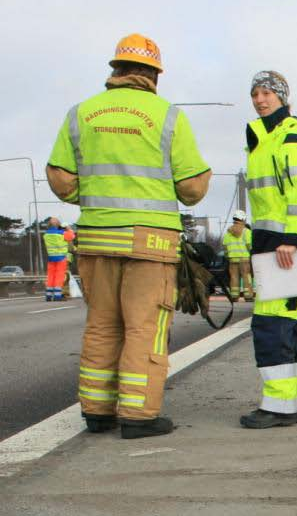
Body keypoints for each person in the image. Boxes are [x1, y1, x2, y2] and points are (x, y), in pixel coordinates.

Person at [46, 33, 211, 439]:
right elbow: (192, 189)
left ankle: (97, 412)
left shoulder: (80, 114)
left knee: (102, 324)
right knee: (144, 328)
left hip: (97, 239)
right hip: (149, 245)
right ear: (154, 74)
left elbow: (60, 178)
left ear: (115, 70)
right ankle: (138, 416)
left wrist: (96, 197)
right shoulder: (168, 116)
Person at [239, 70, 297, 429]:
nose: (260, 100)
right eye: (255, 94)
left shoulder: (291, 133)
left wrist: (292, 238)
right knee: (292, 324)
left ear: (282, 97)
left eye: (267, 93)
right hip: (277, 244)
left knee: (272, 325)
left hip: (285, 245)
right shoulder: (265, 137)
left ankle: (278, 407)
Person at [222, 210, 254, 300]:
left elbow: (224, 246)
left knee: (234, 277)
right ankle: (248, 296)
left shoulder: (228, 232)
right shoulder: (246, 231)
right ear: (243, 219)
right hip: (244, 259)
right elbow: (249, 245)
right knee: (246, 277)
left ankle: (234, 296)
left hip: (232, 259)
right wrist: (251, 254)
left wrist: (228, 256)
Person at [41, 217, 71, 301]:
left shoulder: (46, 235)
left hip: (51, 257)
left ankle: (48, 295)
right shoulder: (62, 233)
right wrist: (68, 229)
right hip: (61, 258)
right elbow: (71, 236)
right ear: (59, 225)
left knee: (51, 276)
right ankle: (57, 296)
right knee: (59, 276)